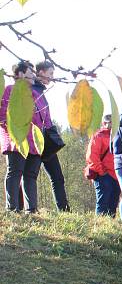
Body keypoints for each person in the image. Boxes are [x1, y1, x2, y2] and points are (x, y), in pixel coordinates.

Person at [0, 61, 47, 213]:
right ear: (20, 74)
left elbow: (41, 119)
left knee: (31, 176)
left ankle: (31, 210)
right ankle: (12, 208)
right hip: (16, 141)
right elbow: (3, 116)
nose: (34, 75)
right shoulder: (10, 90)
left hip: (34, 143)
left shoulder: (35, 94)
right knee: (15, 173)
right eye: (30, 72)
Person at [33, 61, 69, 211]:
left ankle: (64, 210)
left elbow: (46, 117)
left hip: (47, 142)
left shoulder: (41, 92)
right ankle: (25, 208)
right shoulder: (31, 90)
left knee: (57, 177)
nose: (52, 77)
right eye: (50, 73)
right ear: (40, 72)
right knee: (29, 176)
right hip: (35, 140)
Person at [84, 115, 120, 216]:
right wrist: (102, 172)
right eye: (111, 122)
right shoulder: (98, 136)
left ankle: (111, 228)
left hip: (116, 175)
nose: (113, 124)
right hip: (103, 175)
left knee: (113, 205)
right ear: (104, 123)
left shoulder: (117, 136)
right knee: (102, 203)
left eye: (114, 122)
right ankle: (100, 226)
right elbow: (92, 157)